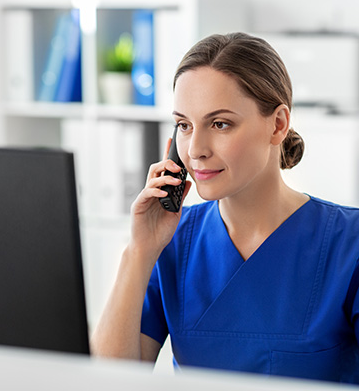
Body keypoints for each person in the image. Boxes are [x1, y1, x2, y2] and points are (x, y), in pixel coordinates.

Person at [92, 32, 359, 384]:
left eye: (220, 124)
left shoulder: (347, 244)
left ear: (277, 124)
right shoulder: (171, 243)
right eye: (185, 125)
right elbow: (108, 381)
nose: (196, 149)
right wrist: (139, 250)